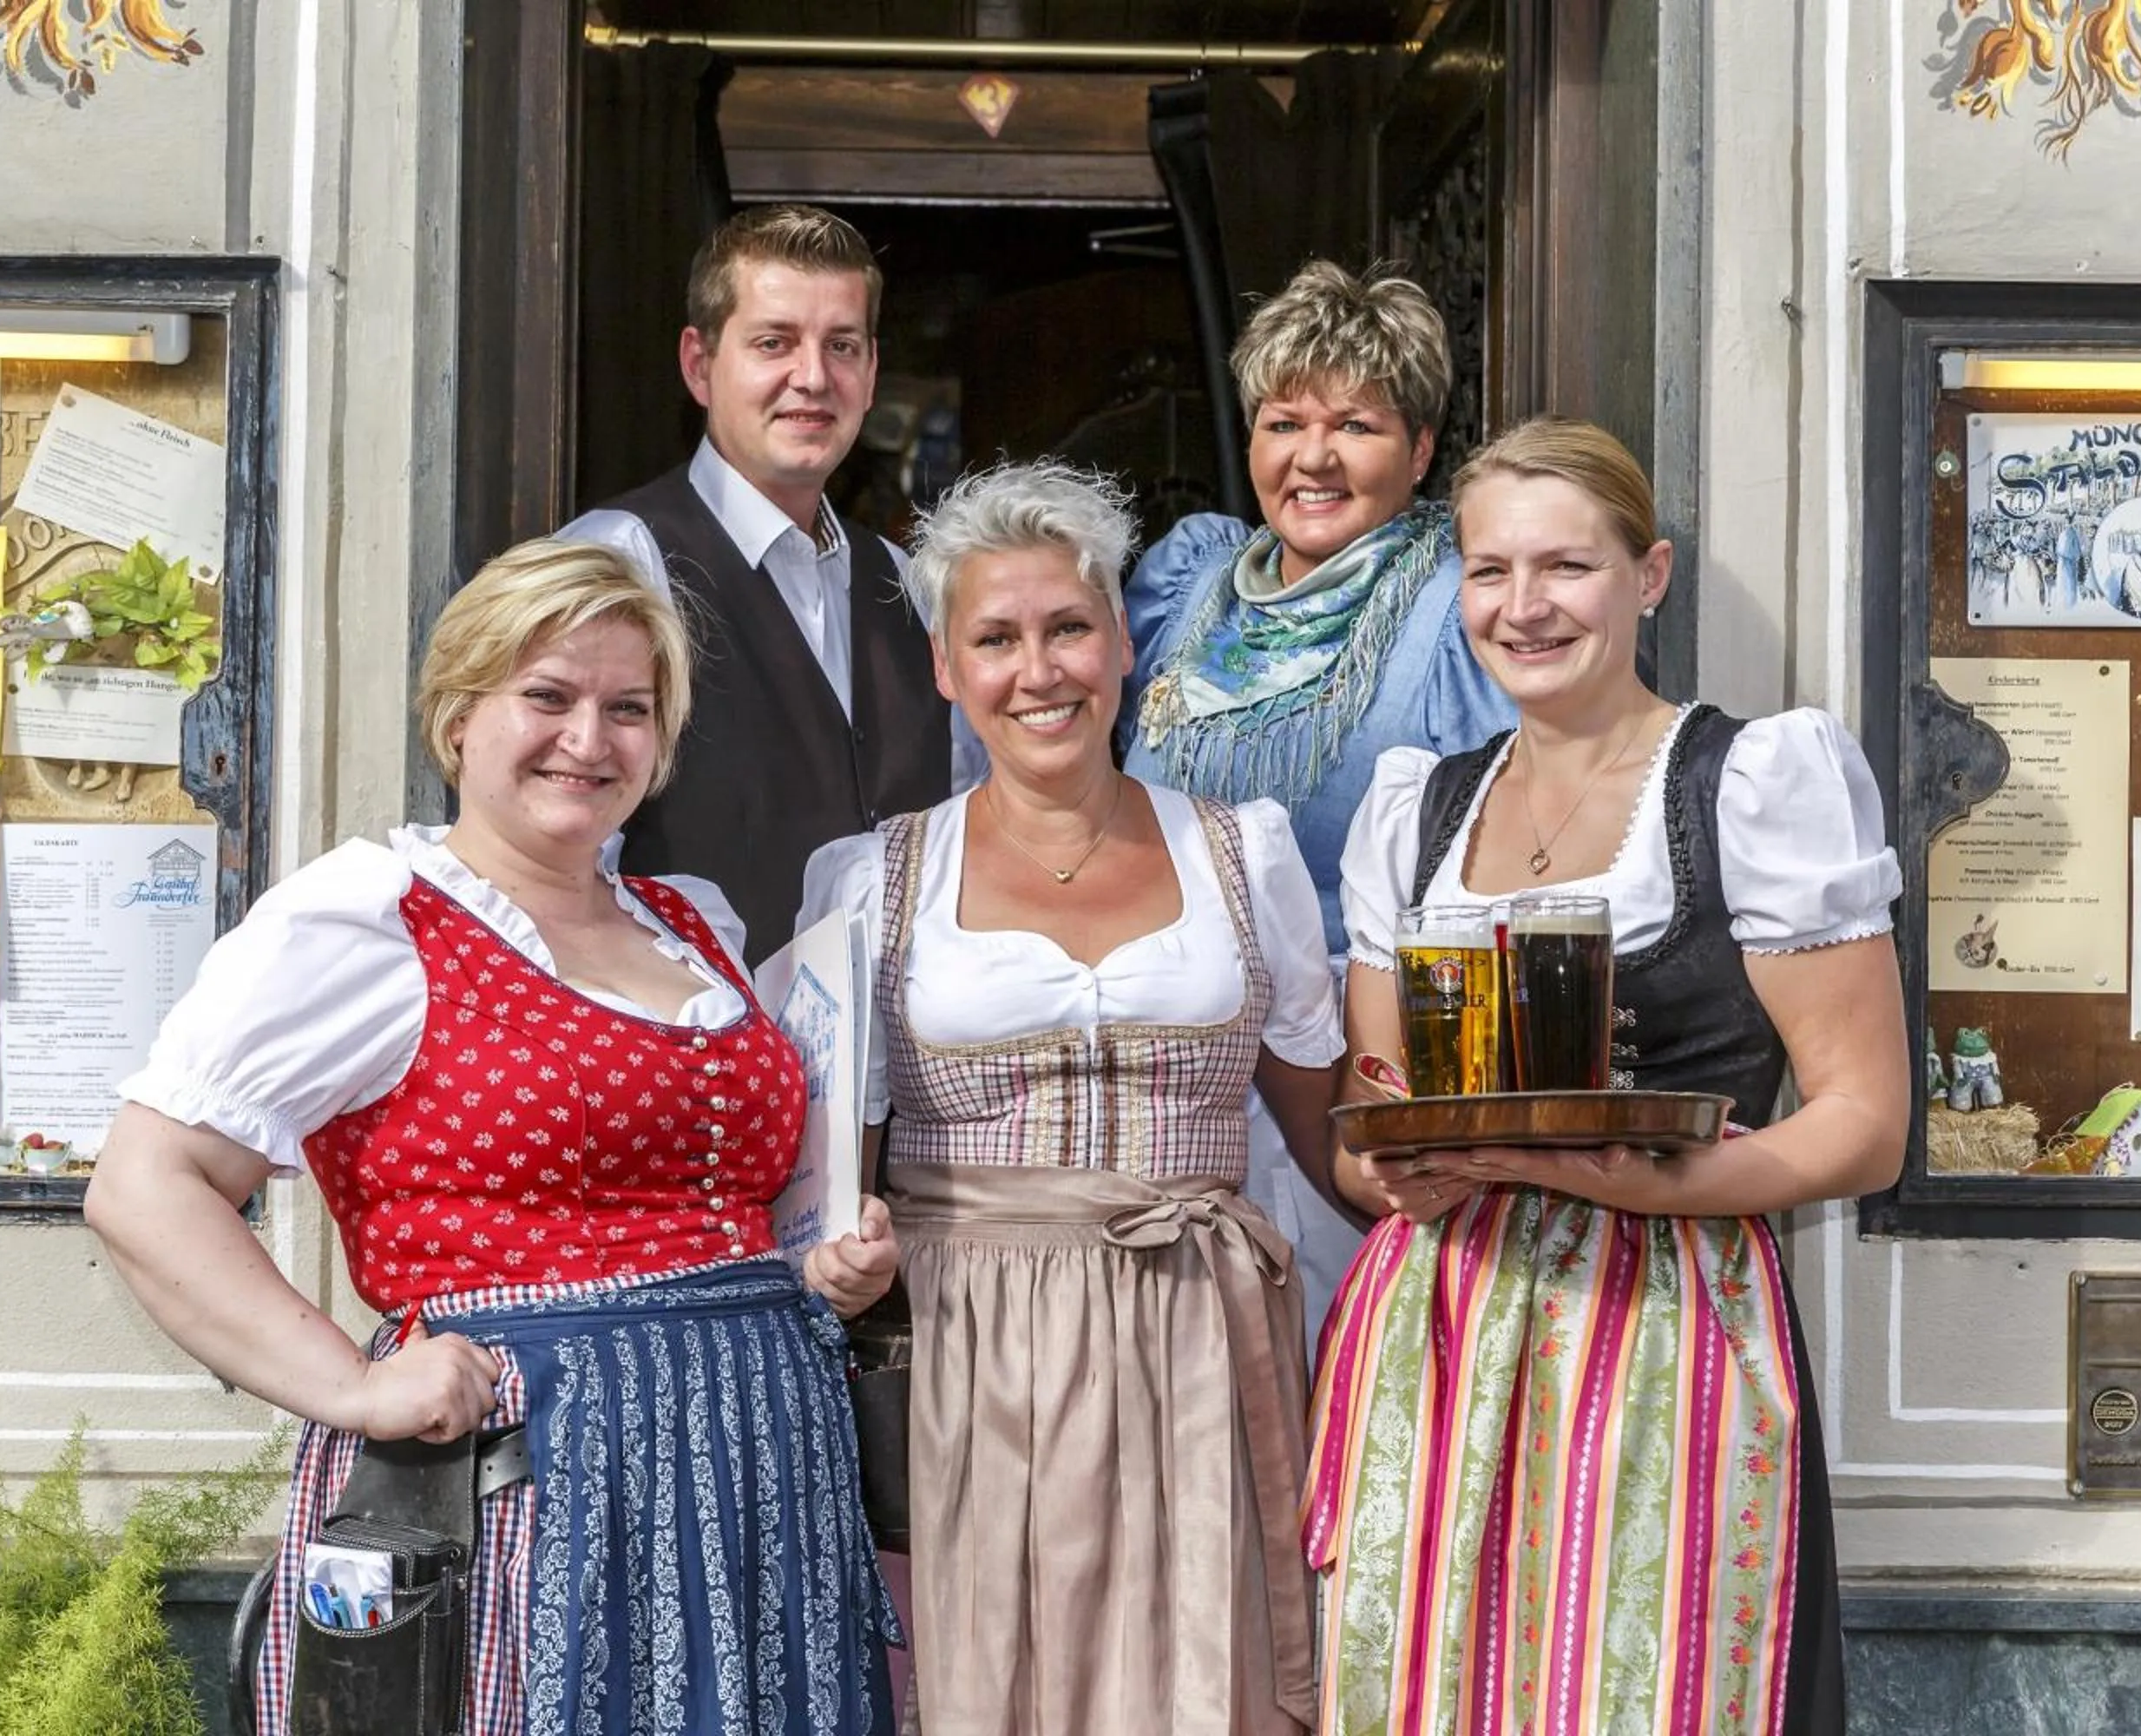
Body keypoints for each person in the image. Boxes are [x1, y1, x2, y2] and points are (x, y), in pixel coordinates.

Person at [84, 540, 903, 1735]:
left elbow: (737, 1199)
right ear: (460, 713)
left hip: (759, 1454)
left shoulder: (692, 924)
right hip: (532, 1466)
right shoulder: (369, 922)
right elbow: (144, 1186)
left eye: (630, 709)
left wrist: (826, 1268)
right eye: (550, 697)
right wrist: (355, 1386)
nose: (592, 738)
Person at [1305, 418, 1908, 1735]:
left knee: (1653, 1689)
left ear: (1650, 575)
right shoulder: (1413, 808)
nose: (1523, 608)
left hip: (1672, 1322)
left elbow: (1865, 1127)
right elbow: (1371, 1126)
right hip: (1449, 1324)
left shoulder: (1751, 783)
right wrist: (1396, 1173)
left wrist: (1645, 1184)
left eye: (1566, 567)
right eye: (1489, 571)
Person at [798, 461, 1345, 1735]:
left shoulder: (1242, 852)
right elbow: (827, 1173)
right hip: (972, 1347)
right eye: (996, 638)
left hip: (1203, 1333)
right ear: (947, 667)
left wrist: (1514, 1185)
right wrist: (836, 1256)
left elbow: (1335, 1143)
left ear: (1122, 643)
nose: (1038, 670)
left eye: (1068, 628)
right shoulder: (875, 883)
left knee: (1201, 1685)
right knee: (997, 1680)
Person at [1119, 260, 1514, 1338]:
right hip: (1165, 1086)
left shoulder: (1456, 611)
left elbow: (1487, 879)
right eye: (1284, 421)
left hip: (1350, 1091)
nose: (1314, 457)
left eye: (1357, 424)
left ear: (1423, 449)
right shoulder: (1184, 583)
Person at [559, 202, 978, 962]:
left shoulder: (911, 583)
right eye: (773, 342)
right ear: (699, 365)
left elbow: (973, 826)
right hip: (698, 1054)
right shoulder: (620, 565)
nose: (812, 378)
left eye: (841, 345)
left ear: (872, 370)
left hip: (896, 1063)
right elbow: (554, 853)